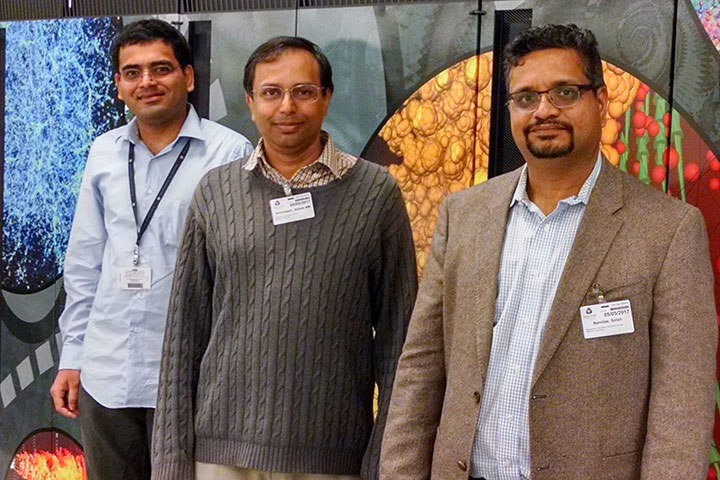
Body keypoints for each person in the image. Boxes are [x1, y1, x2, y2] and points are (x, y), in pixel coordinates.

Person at [379, 23, 717, 480]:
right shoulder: (464, 215)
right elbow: (421, 366)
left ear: (599, 101)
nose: (544, 111)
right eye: (526, 98)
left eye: (564, 93)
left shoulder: (667, 229)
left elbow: (682, 402)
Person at [150, 37, 417, 480]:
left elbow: (399, 342)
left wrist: (386, 460)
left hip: (332, 459)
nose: (287, 106)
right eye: (271, 93)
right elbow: (183, 338)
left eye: (303, 91)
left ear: (326, 98)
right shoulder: (215, 192)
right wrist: (171, 463)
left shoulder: (376, 194)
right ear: (251, 102)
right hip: (221, 456)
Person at [49, 18, 252, 480]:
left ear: (188, 76)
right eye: (133, 72)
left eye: (160, 69)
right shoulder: (103, 152)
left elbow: (243, 272)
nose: (147, 82)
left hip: (192, 375)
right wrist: (73, 356)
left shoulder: (229, 153)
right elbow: (84, 263)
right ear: (119, 85)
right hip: (108, 371)